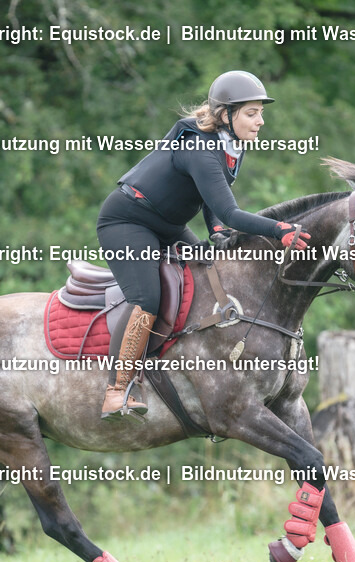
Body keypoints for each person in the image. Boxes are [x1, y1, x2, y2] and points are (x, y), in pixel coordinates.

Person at [96, 70, 310, 420]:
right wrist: (279, 230)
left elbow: (212, 200)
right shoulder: (200, 147)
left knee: (209, 274)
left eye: (260, 113)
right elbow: (231, 210)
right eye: (251, 114)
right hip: (127, 222)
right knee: (146, 298)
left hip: (167, 224)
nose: (261, 122)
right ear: (226, 114)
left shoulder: (230, 145)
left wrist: (216, 230)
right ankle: (117, 389)